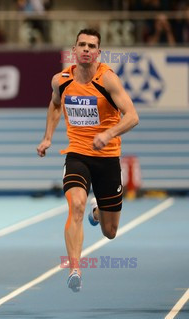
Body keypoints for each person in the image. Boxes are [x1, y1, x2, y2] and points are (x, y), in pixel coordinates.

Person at [36, 29, 139, 293]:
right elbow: (55, 105)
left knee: (110, 231)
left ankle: (99, 212)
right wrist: (47, 137)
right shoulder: (61, 80)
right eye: (81, 44)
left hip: (106, 157)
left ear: (98, 53)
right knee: (76, 206)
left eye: (91, 46)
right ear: (74, 49)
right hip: (78, 154)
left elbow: (131, 116)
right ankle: (75, 269)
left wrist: (109, 133)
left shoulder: (108, 80)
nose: (85, 49)